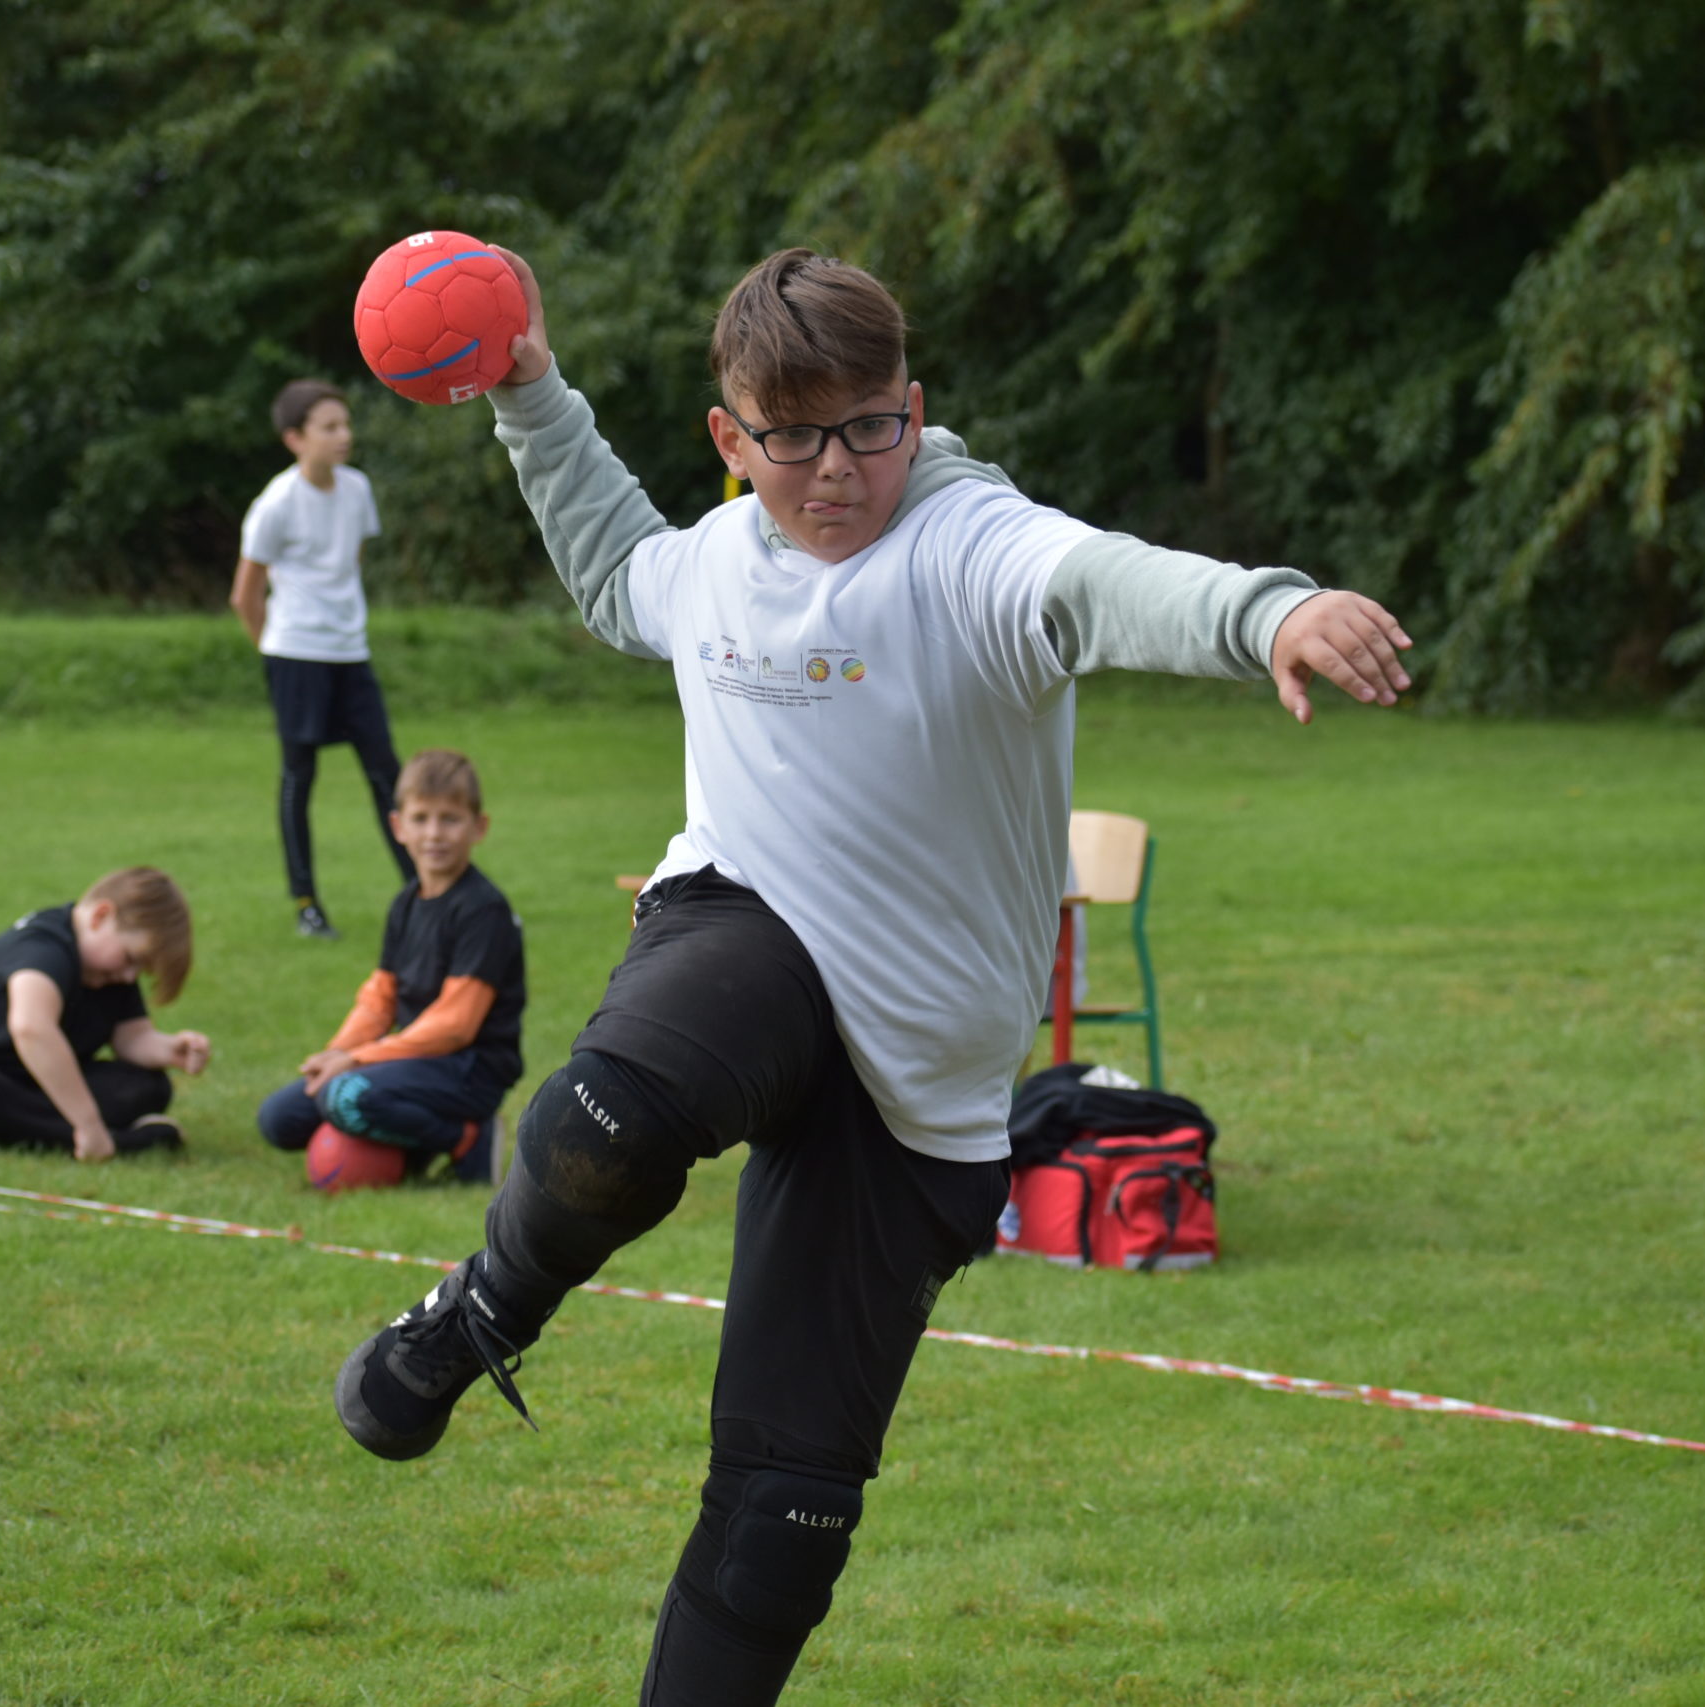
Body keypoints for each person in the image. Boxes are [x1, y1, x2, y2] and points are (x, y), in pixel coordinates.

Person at [329, 247, 1411, 1703]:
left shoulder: (971, 545)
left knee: (784, 1515)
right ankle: (483, 1310)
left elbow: (1105, 582)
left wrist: (1265, 611)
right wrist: (529, 388)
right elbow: (610, 570)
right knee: (605, 1119)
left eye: (869, 427)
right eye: (791, 437)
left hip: (926, 1084)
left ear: (915, 405)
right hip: (745, 935)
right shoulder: (718, 558)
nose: (835, 469)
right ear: (732, 436)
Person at [256, 748, 523, 1184]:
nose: (434, 834)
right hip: (413, 1061)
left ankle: (466, 1139)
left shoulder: (484, 910)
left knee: (345, 1097)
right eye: (420, 819)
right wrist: (337, 1052)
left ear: (479, 828)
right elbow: (380, 997)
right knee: (280, 1117)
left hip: (469, 1068)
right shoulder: (405, 903)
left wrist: (358, 1061)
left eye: (450, 819)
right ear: (397, 826)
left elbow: (454, 1025)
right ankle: (413, 1146)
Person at [229, 378, 413, 942]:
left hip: (350, 655)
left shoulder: (357, 491)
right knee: (299, 779)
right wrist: (275, 651)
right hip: (295, 657)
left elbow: (348, 564)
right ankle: (307, 903)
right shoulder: (275, 505)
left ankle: (424, 892)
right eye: (329, 427)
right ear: (294, 439)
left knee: (388, 776)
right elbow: (245, 595)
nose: (344, 436)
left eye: (345, 424)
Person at [0, 867, 208, 1160]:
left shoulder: (109, 974)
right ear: (100, 917)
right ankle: (115, 1142)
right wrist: (88, 1123)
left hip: (29, 1089)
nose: (129, 976)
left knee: (149, 1086)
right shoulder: (43, 948)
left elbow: (132, 1038)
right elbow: (31, 1029)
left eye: (140, 969)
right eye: (129, 958)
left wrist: (168, 1048)